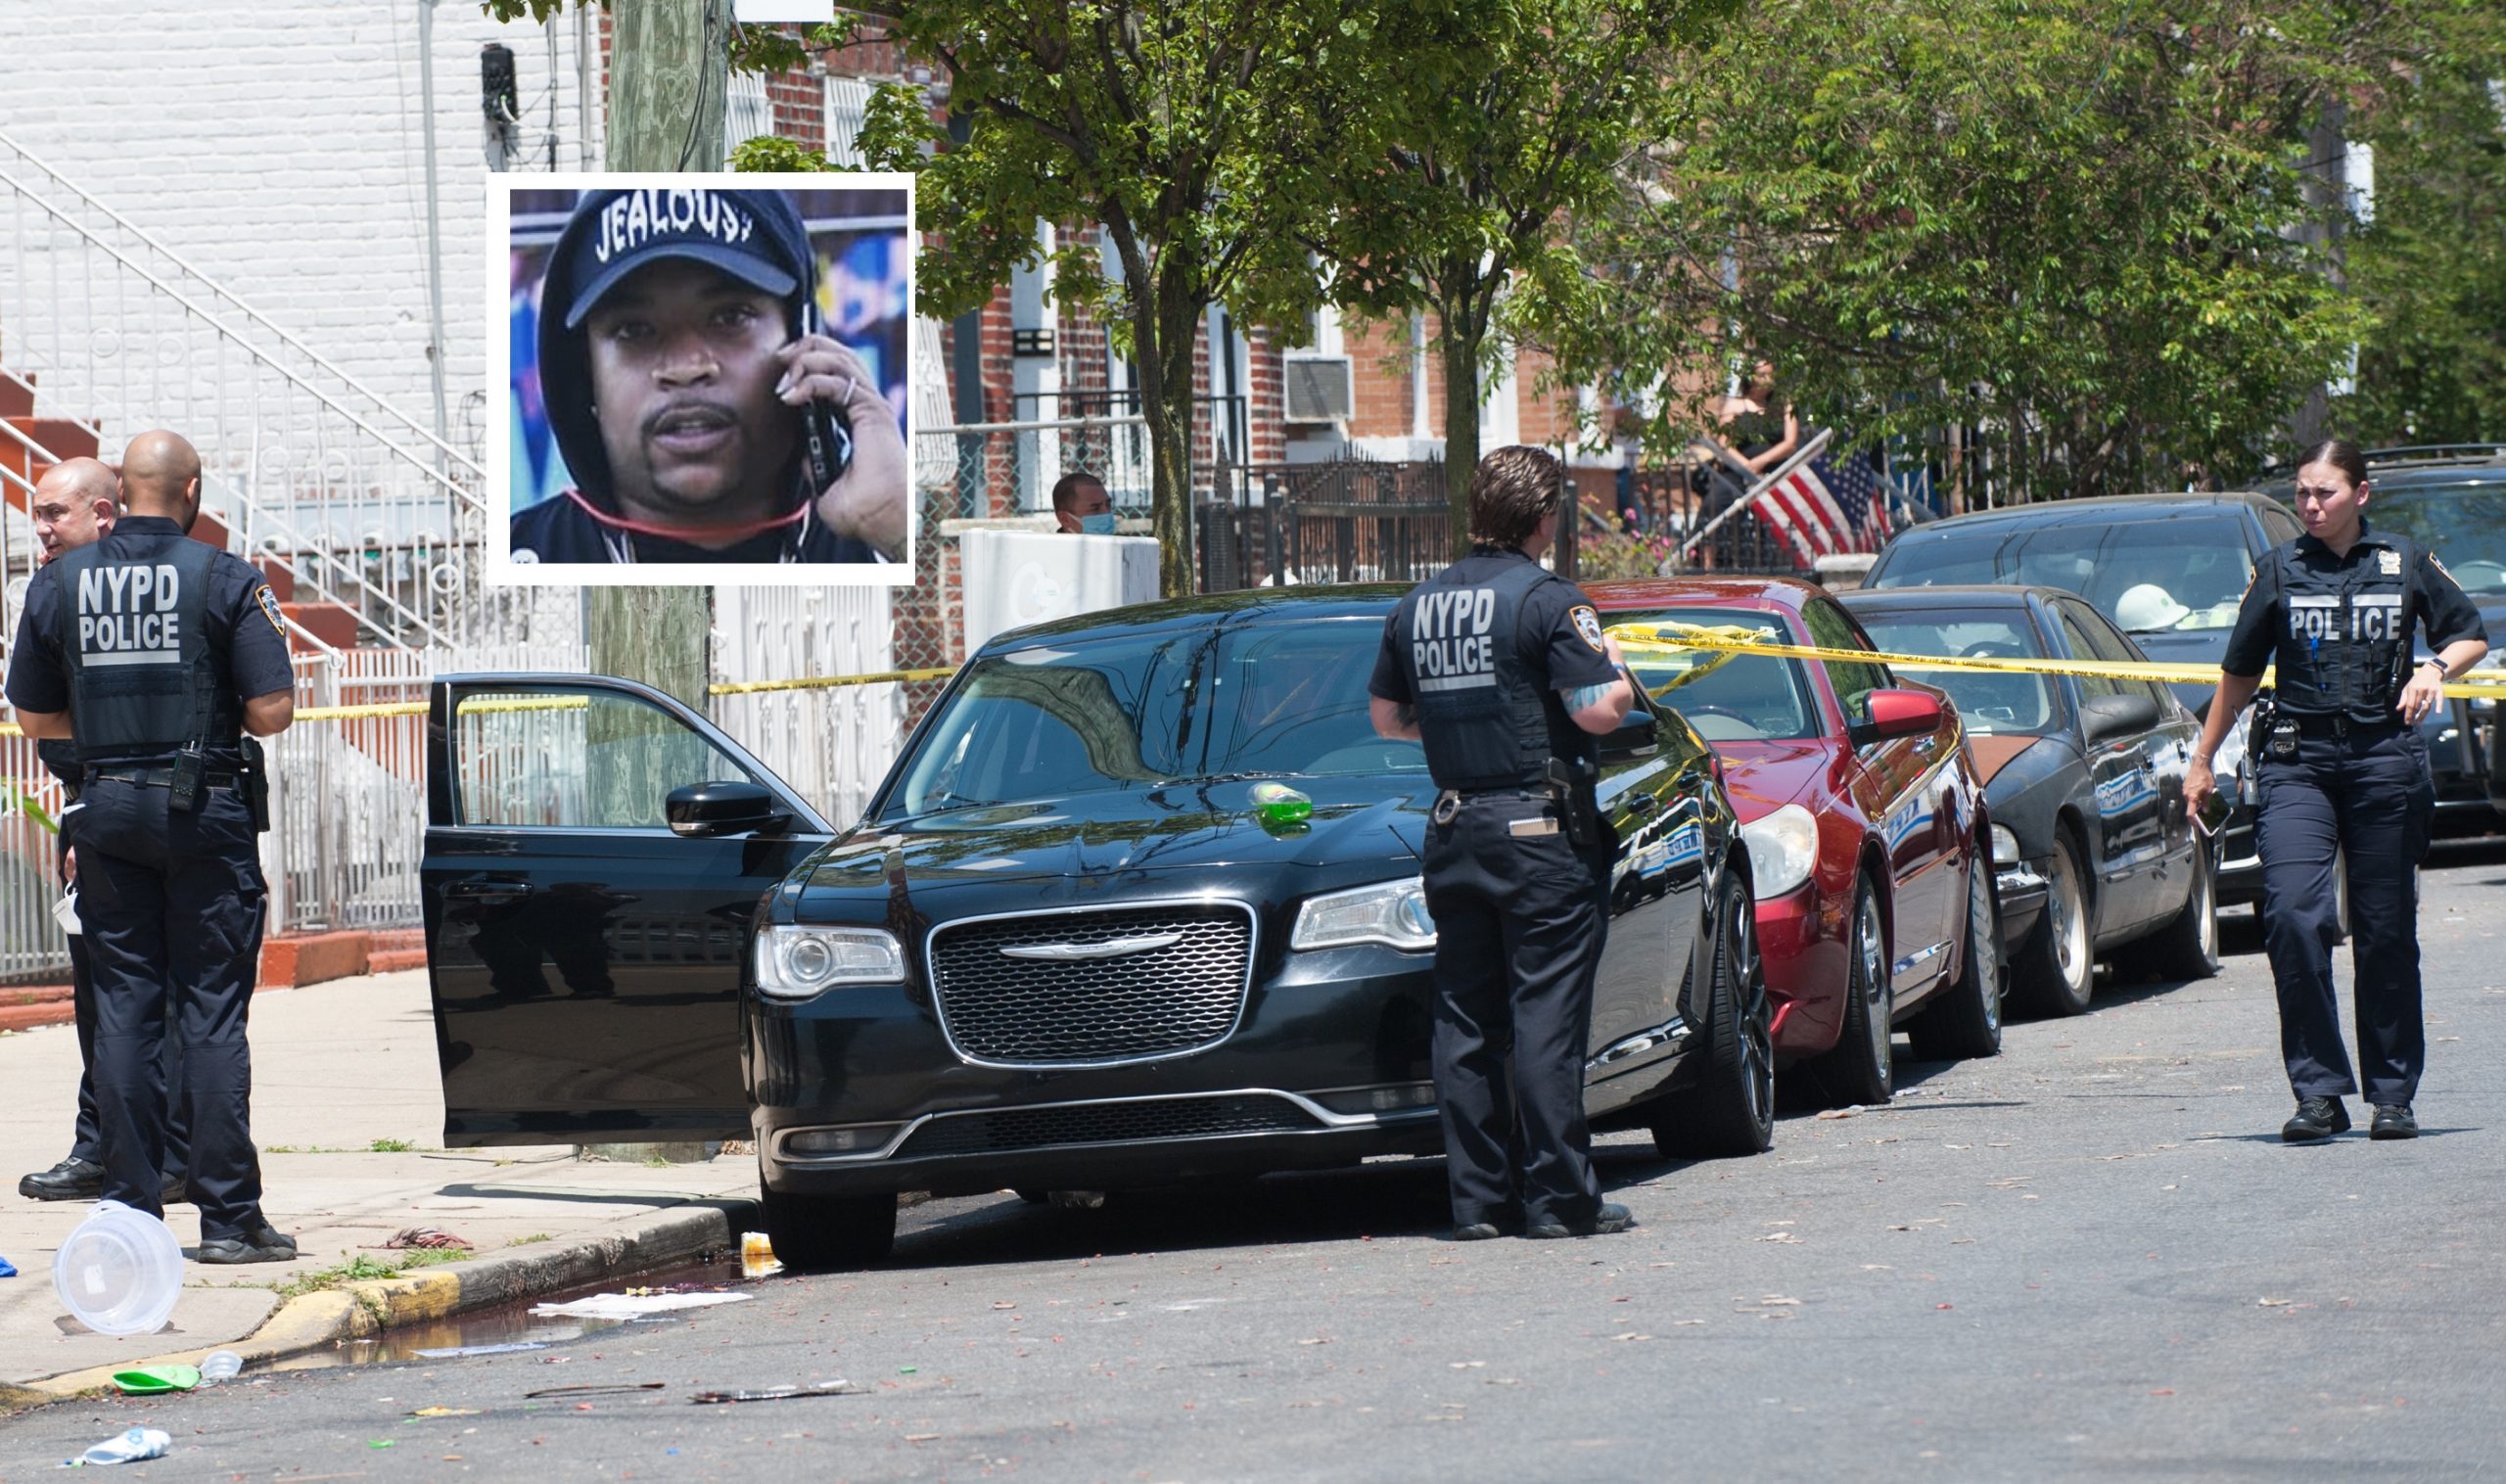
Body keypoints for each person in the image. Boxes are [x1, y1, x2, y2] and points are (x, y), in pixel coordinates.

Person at [5, 431, 300, 1262]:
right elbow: (273, 711)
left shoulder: (56, 583)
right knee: (209, 1015)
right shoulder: (225, 576)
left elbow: (34, 718)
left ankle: (133, 1215)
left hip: (104, 806)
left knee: (125, 1015)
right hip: (203, 810)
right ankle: (230, 1221)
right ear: (191, 490)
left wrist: (107, 739)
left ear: (122, 495)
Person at [1367, 444, 1641, 1240]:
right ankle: (1558, 1199)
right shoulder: (1549, 600)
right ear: (1545, 519)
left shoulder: (1418, 607)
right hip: (1540, 832)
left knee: (1465, 1019)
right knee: (1545, 1016)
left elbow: (1387, 718)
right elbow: (1597, 711)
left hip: (1455, 830)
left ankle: (1478, 1203)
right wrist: (1616, 668)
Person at [2184, 439, 2487, 1143]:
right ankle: (2319, 1091)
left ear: (2360, 495)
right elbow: (2236, 674)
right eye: (2302, 494)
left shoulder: (2403, 562)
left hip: (2384, 759)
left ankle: (2391, 1094)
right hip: (2299, 762)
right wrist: (2203, 759)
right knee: (2292, 915)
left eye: (2325, 493)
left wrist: (2434, 667)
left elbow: (2468, 632)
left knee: (2385, 931)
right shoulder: (2279, 570)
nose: (2311, 506)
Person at [512, 187, 907, 565]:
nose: (686, 369)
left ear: (803, 335)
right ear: (586, 371)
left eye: (730, 318)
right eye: (634, 330)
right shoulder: (524, 554)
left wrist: (894, 529)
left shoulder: (872, 544)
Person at [14, 459, 190, 1206]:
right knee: (103, 1001)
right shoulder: (56, 592)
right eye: (38, 515)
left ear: (105, 514)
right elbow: (40, 715)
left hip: (158, 816)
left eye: (56, 513)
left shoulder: (158, 590)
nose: (42, 530)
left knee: (170, 1000)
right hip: (90, 813)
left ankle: (170, 1154)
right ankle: (104, 1147)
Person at [1050, 472, 1114, 533]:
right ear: (1065, 519)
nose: (1107, 513)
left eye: (1108, 505)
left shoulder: (1119, 543)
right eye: (1095, 508)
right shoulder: (1053, 544)